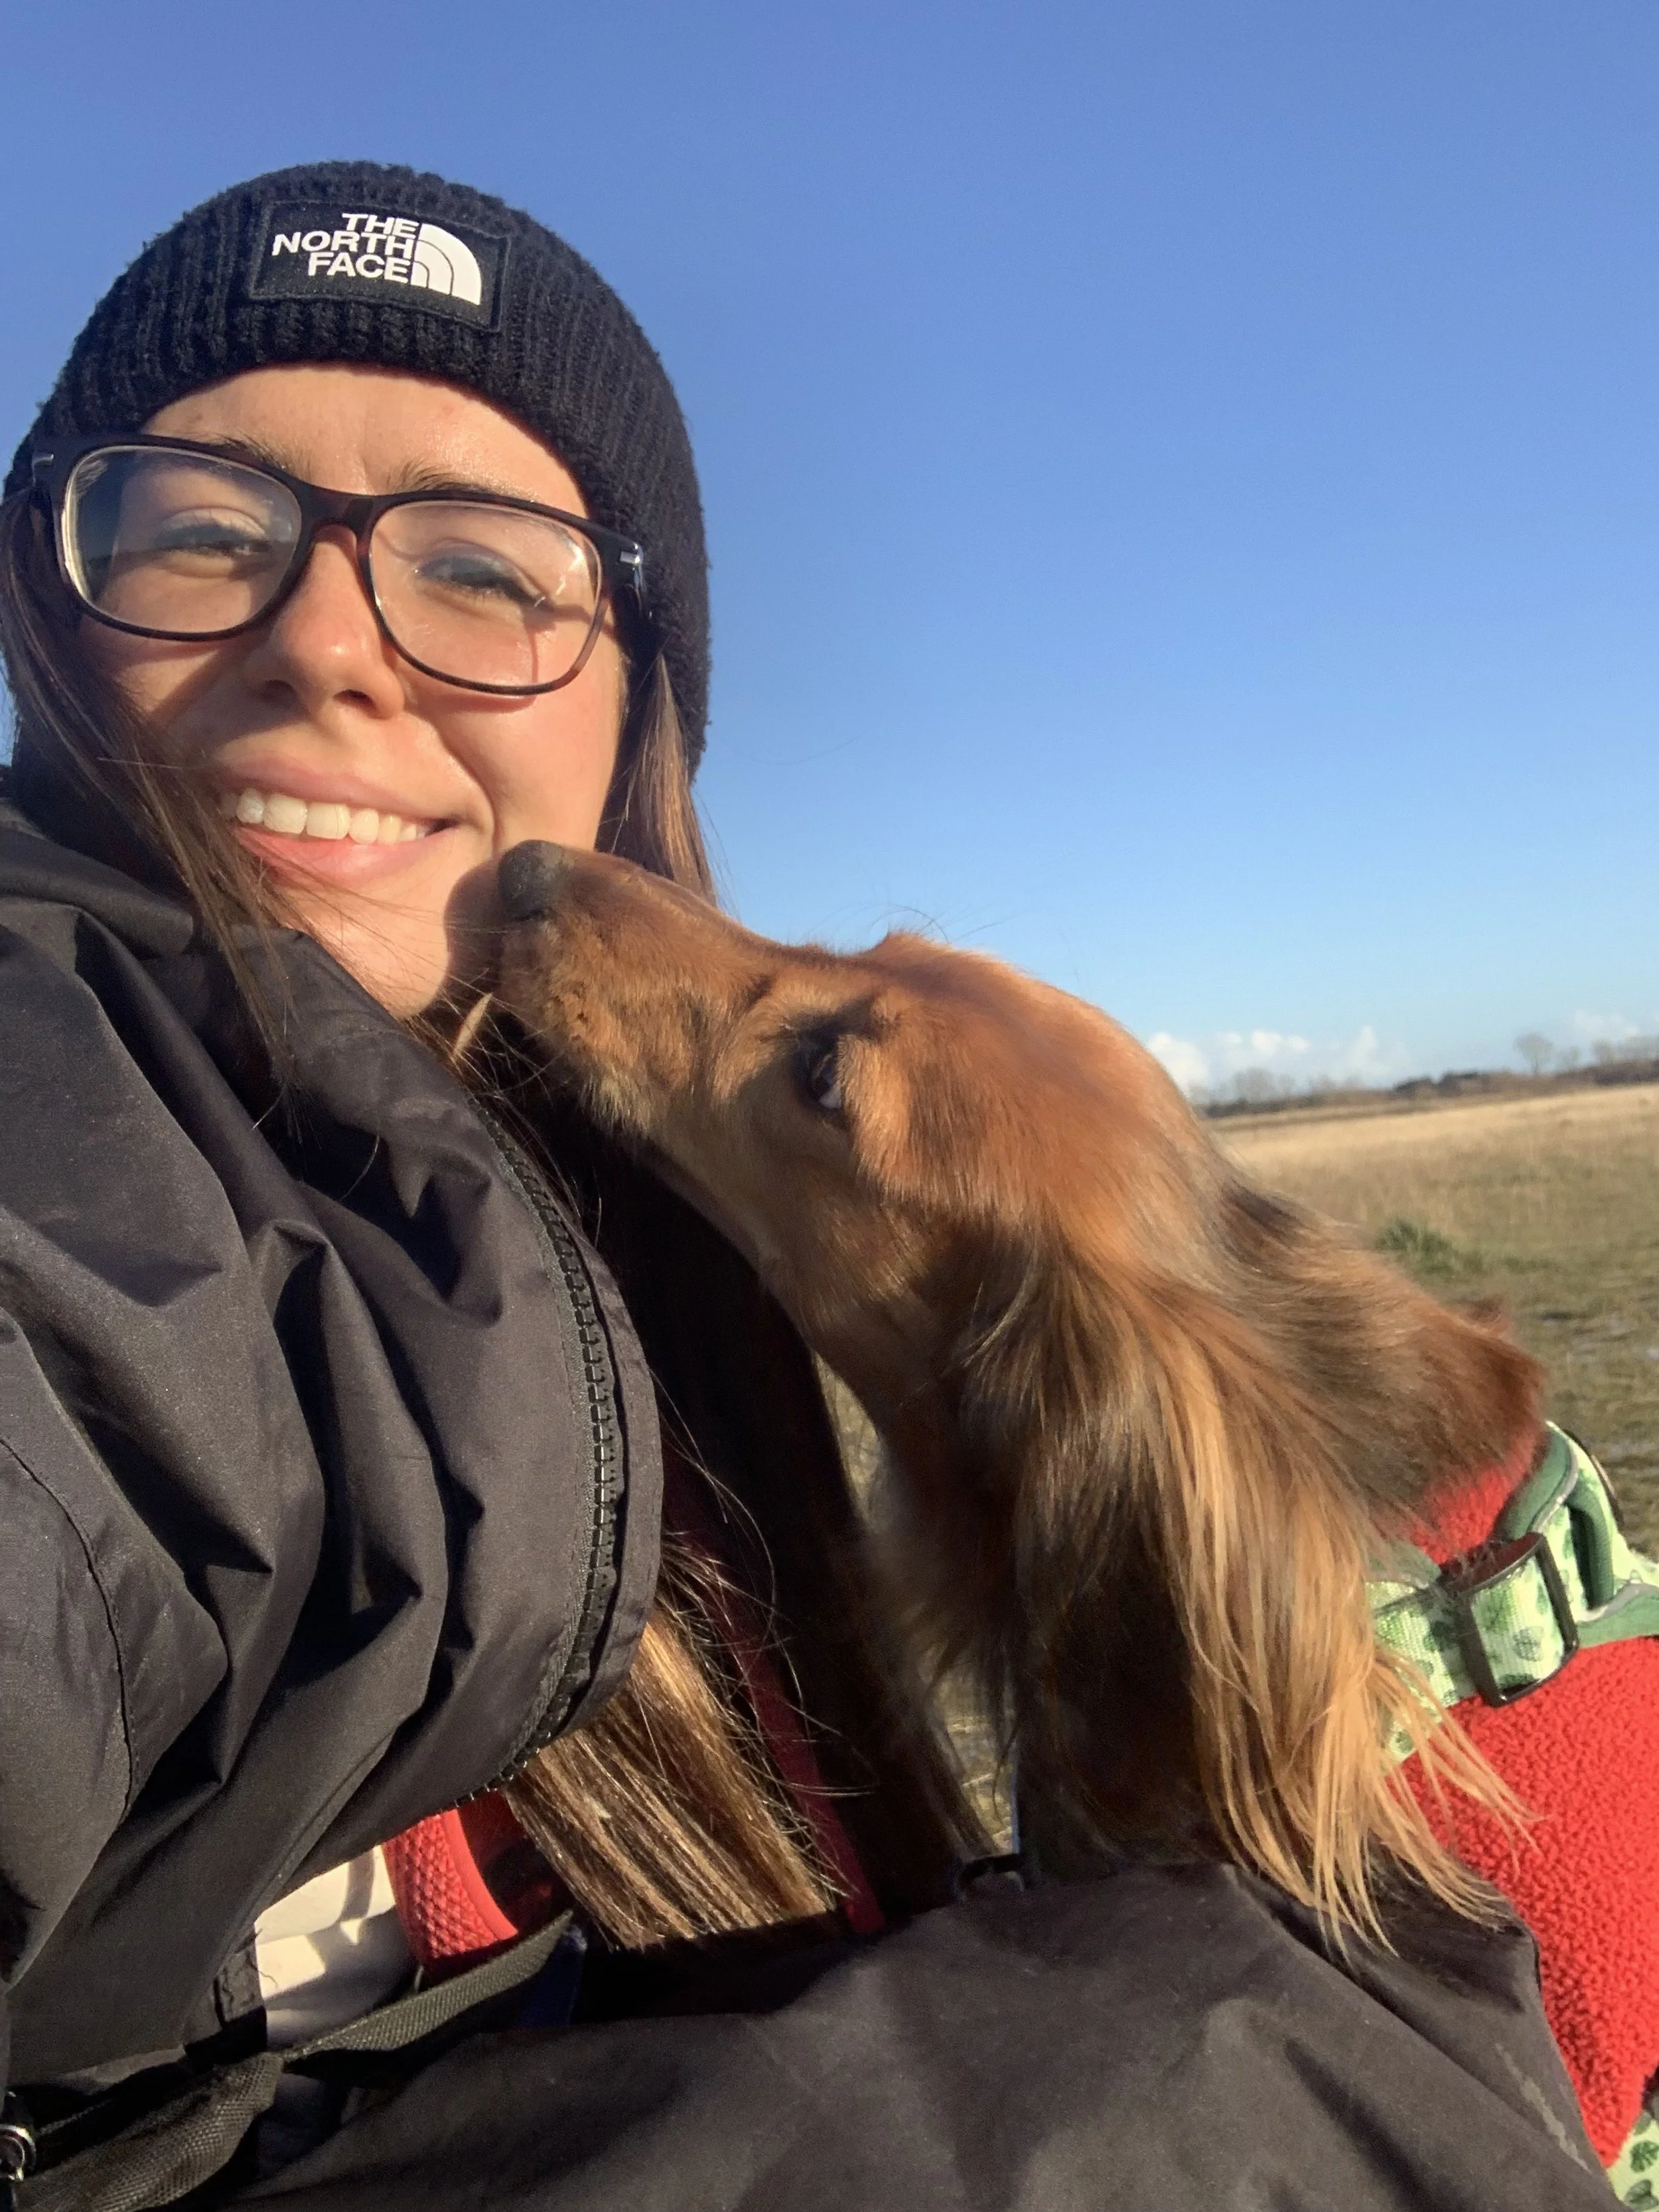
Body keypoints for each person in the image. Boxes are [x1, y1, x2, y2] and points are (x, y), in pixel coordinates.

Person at [0, 161, 1616, 2209]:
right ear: (41, 596)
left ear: (634, 701)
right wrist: (1346, 2068)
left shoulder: (661, 1287)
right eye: (200, 528)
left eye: (480, 567)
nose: (327, 643)